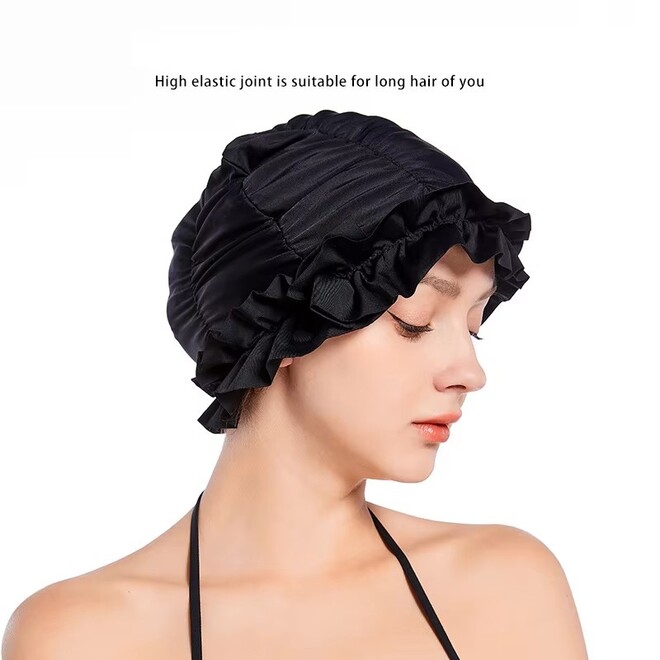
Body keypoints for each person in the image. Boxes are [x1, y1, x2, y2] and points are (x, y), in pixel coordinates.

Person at [2, 110, 588, 659]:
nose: (470, 373)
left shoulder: (506, 587)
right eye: (413, 321)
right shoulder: (78, 637)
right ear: (283, 327)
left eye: (474, 326)